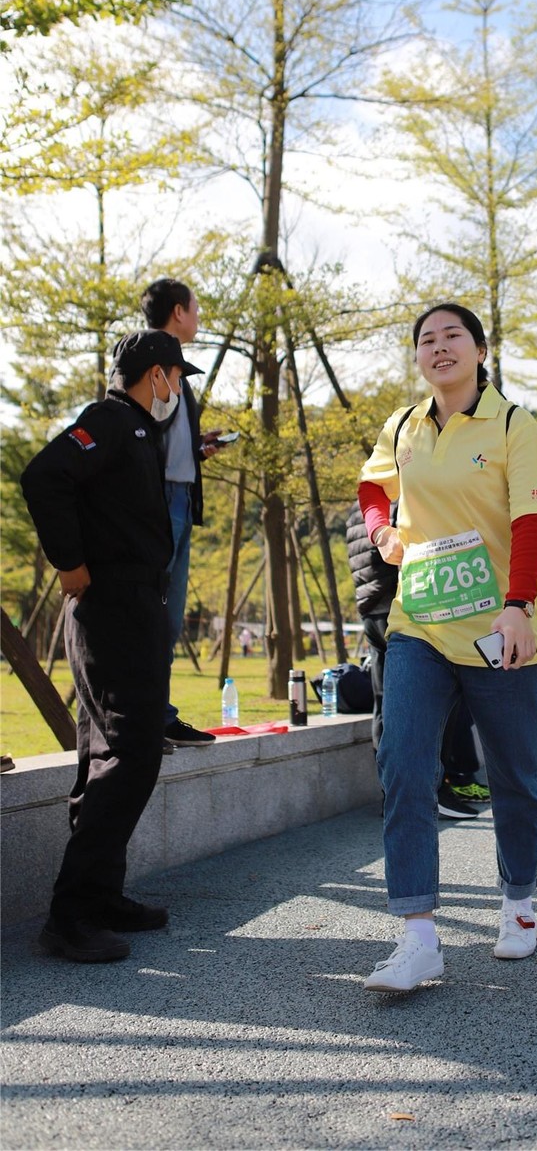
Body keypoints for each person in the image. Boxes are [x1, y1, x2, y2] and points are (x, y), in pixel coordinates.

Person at [356, 302, 537, 992]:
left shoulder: (513, 425)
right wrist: (384, 532)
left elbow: (534, 517)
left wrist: (517, 605)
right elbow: (372, 484)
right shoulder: (404, 426)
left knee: (512, 777)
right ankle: (417, 935)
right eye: (426, 340)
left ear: (480, 348)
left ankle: (520, 905)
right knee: (405, 764)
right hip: (420, 623)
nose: (438, 348)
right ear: (417, 356)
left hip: (499, 628)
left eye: (452, 337)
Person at [20, 330, 202, 963]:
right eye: (177, 379)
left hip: (133, 604)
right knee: (132, 751)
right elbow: (43, 476)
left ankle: (100, 897)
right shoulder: (107, 419)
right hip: (112, 608)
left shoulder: (137, 432)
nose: (178, 391)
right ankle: (69, 916)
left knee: (104, 751)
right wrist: (69, 563)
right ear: (156, 376)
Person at [345, 500, 492, 821]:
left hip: (371, 611)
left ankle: (392, 793)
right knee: (437, 702)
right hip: (404, 610)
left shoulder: (360, 509)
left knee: (384, 704)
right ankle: (433, 790)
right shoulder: (401, 502)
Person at [141, 278, 224, 748]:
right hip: (161, 501)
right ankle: (144, 717)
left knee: (168, 619)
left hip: (181, 497)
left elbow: (163, 432)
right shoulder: (152, 359)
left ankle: (160, 714)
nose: (199, 316)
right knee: (153, 614)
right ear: (178, 311)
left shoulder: (173, 365)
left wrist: (195, 449)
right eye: (195, 308)